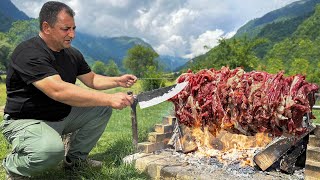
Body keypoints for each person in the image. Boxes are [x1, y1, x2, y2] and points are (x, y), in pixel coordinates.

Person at [1, 1, 137, 179]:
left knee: (101, 109)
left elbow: (92, 79)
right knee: (50, 151)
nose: (72, 34)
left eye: (73, 28)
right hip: (25, 121)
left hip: (60, 116)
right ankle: (12, 165)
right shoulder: (28, 52)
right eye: (66, 29)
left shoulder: (72, 54)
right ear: (46, 27)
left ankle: (75, 161)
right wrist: (109, 99)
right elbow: (58, 90)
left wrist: (117, 81)